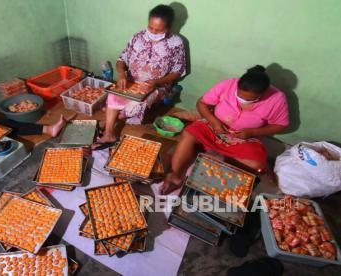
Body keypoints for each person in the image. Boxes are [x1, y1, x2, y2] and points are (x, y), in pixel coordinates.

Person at [160, 65, 289, 194]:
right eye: (239, 96)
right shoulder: (228, 84)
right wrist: (214, 122)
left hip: (244, 137)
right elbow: (202, 103)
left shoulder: (276, 98)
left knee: (257, 165)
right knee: (188, 133)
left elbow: (281, 125)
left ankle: (214, 163)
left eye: (248, 99)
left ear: (262, 94)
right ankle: (176, 176)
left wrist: (251, 132)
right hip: (215, 127)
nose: (242, 101)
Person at [98, 4, 186, 144]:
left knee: (137, 103)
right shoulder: (137, 37)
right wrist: (121, 74)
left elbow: (178, 71)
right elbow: (121, 59)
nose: (152, 32)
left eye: (158, 30)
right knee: (114, 94)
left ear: (168, 28)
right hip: (132, 80)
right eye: (150, 27)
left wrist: (157, 82)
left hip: (158, 85)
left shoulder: (176, 43)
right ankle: (109, 133)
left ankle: (111, 119)